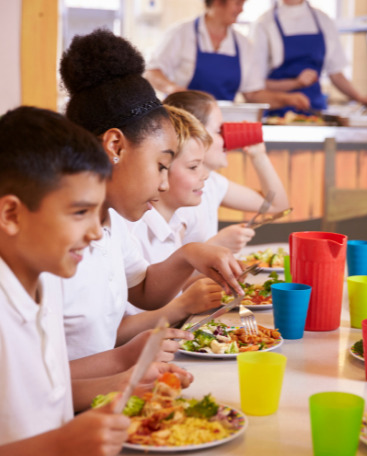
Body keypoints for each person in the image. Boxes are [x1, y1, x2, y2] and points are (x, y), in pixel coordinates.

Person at [0, 106, 192, 455]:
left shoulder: (42, 283)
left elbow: (39, 395)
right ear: (11, 215)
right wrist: (59, 444)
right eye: (80, 213)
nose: (96, 232)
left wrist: (120, 378)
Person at [59, 29, 244, 361]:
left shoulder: (110, 220)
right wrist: (127, 361)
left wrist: (189, 254)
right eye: (161, 165)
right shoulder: (57, 246)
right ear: (115, 147)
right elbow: (44, 380)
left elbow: (143, 289)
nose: (163, 184)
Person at [118, 105, 224, 339]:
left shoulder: (174, 224)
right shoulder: (130, 230)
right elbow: (116, 331)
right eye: (194, 166)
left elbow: (162, 295)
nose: (205, 175)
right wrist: (184, 304)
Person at [165, 90, 290, 252]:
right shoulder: (179, 197)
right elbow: (165, 272)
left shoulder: (211, 182)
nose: (227, 138)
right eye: (219, 131)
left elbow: (277, 206)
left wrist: (259, 156)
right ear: (194, 134)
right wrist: (217, 245)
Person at [144, 0, 310, 112]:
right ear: (218, 2)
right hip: (182, 122)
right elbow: (151, 72)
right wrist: (172, 88)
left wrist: (288, 99)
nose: (241, 9)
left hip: (222, 126)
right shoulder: (181, 33)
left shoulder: (243, 44)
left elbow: (253, 94)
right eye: (238, 3)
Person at [250, 0, 367, 115]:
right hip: (276, 115)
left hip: (315, 112)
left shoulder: (323, 20)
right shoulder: (265, 23)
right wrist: (296, 83)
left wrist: (360, 98)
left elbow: (336, 74)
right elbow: (255, 85)